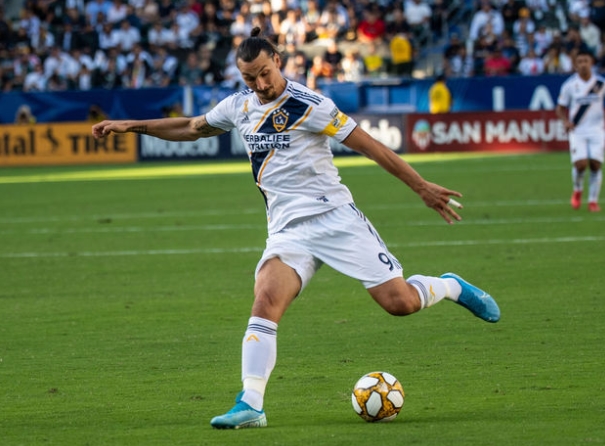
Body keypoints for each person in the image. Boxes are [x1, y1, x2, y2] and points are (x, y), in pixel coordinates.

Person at [92, 27, 500, 430]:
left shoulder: (311, 105)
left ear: (278, 61)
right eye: (249, 78)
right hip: (287, 230)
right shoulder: (239, 106)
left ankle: (450, 286)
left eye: (265, 73)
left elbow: (371, 147)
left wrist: (421, 187)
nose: (260, 84)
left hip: (335, 218)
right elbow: (192, 127)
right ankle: (251, 404)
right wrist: (131, 126)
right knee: (265, 302)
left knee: (400, 303)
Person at [556, 49, 605, 212]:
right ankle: (577, 190)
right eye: (580, 62)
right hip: (578, 131)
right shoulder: (569, 85)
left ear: (592, 63)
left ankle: (593, 201)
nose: (583, 64)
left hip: (597, 129)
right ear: (575, 64)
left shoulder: (600, 84)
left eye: (586, 61)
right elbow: (560, 108)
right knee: (581, 165)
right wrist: (566, 121)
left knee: (596, 165)